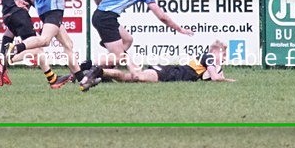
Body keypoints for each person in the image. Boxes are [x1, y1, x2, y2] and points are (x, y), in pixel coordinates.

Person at [77, 0, 195, 90]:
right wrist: (180, 30)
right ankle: (90, 67)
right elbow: (162, 17)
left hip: (101, 15)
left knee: (127, 39)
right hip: (107, 18)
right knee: (119, 56)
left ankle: (105, 66)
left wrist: (104, 10)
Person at [82, 40, 233, 89]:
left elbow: (209, 78)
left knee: (130, 78)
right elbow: (214, 78)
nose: (225, 58)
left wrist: (221, 71)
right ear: (216, 51)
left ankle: (100, 72)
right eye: (224, 54)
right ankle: (98, 69)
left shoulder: (207, 59)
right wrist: (229, 80)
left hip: (170, 72)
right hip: (171, 74)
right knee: (135, 77)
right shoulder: (210, 56)